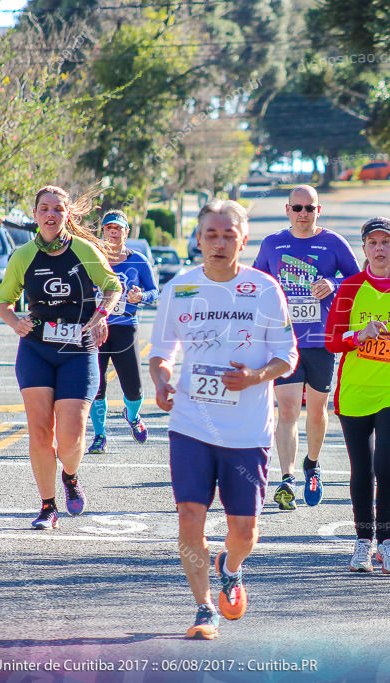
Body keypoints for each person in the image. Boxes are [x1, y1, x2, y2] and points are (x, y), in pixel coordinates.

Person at [149, 200, 297, 640]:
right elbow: (161, 353)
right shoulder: (180, 289)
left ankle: (230, 568)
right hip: (191, 424)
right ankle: (203, 607)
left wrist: (256, 376)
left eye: (228, 234)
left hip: (247, 429)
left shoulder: (266, 289)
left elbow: (287, 356)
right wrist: (161, 381)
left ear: (243, 239)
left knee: (244, 532)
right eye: (210, 234)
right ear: (197, 239)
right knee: (190, 515)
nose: (218, 242)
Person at [0, 185, 122, 530]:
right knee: (39, 431)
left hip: (78, 350)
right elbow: (3, 300)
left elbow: (113, 287)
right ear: (35, 214)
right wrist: (14, 321)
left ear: (67, 215)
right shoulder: (22, 256)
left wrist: (101, 315)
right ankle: (47, 506)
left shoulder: (84, 250)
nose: (51, 215)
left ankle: (70, 474)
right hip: (36, 349)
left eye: (58, 210)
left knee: (70, 437)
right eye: (44, 209)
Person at [326, 216, 390, 574]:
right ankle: (362, 542)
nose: (380, 249)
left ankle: (388, 542)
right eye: (373, 243)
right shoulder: (350, 288)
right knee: (362, 469)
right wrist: (360, 335)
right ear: (364, 249)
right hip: (355, 390)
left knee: (388, 465)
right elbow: (331, 339)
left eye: (386, 242)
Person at [253, 185, 360, 510]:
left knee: (316, 411)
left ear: (318, 211)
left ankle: (312, 463)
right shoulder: (273, 243)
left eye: (309, 208)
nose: (303, 214)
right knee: (286, 410)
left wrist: (334, 284)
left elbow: (358, 280)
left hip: (322, 342)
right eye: (297, 208)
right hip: (285, 342)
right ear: (287, 210)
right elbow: (258, 282)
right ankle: (286, 478)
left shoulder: (333, 243)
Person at [87, 210, 159, 454]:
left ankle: (133, 414)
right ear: (103, 231)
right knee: (97, 385)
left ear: (127, 232)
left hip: (126, 327)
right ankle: (99, 436)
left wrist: (141, 296)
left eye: (118, 228)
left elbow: (154, 292)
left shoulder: (138, 260)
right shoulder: (93, 258)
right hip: (97, 327)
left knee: (134, 388)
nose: (113, 232)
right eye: (109, 228)